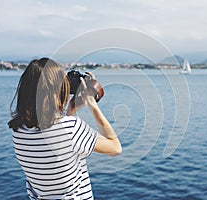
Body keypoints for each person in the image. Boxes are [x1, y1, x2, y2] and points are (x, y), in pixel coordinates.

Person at [8, 58, 122, 200]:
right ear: (57, 90)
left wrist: (71, 111)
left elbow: (58, 149)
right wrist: (93, 105)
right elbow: (115, 148)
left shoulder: (18, 131)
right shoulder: (70, 128)